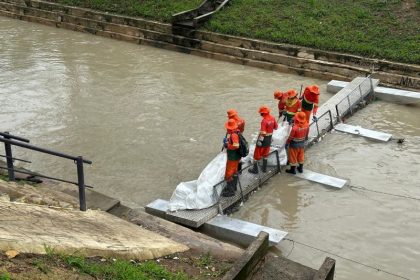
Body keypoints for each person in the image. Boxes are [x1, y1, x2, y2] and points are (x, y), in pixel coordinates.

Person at [248, 106, 278, 174]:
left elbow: (263, 133)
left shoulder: (264, 121)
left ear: (262, 113)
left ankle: (255, 170)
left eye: (260, 113)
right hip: (269, 139)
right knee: (265, 154)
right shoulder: (273, 118)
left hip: (263, 139)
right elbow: (276, 127)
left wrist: (259, 141)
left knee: (256, 155)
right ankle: (264, 169)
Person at [222, 119, 240, 197]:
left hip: (232, 158)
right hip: (236, 157)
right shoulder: (236, 132)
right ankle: (234, 187)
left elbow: (236, 145)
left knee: (228, 174)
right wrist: (228, 141)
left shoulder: (233, 135)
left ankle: (231, 191)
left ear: (229, 128)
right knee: (235, 172)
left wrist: (227, 145)